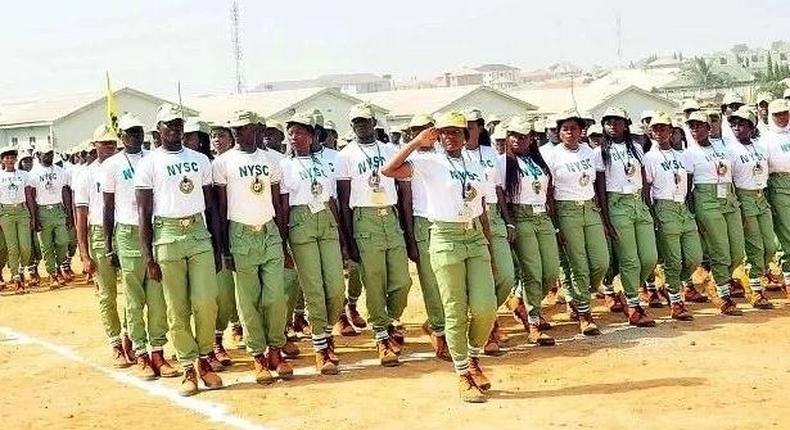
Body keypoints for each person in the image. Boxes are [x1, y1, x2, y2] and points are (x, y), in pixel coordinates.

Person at [381, 111, 497, 403]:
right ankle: (463, 374)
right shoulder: (428, 162)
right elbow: (389, 170)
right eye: (443, 132)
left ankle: (471, 357)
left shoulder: (475, 162)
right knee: (455, 311)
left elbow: (480, 203)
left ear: (466, 135)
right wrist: (416, 142)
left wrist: (489, 245)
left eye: (456, 132)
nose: (449, 137)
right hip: (445, 237)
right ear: (437, 135)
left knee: (485, 308)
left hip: (474, 237)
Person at [135, 104, 223, 396]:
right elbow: (143, 213)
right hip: (168, 235)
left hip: (198, 233)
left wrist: (219, 245)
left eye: (178, 124)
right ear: (158, 129)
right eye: (169, 125)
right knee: (177, 307)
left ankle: (205, 357)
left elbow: (211, 206)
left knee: (206, 300)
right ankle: (188, 366)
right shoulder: (148, 164)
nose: (175, 129)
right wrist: (148, 256)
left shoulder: (201, 160)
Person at [213, 110, 294, 384]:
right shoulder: (223, 163)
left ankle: (276, 347)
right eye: (234, 127)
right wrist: (225, 247)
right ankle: (258, 354)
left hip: (269, 231)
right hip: (240, 234)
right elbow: (221, 207)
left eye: (243, 127)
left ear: (256, 129)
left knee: (274, 296)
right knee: (248, 300)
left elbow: (278, 202)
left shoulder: (271, 160)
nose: (237, 132)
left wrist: (282, 239)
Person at [101, 113, 178, 380]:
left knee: (157, 295)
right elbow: (107, 207)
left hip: (156, 230)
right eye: (129, 133)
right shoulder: (111, 165)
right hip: (127, 233)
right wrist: (109, 245)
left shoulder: (152, 159)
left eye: (138, 132)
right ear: (120, 136)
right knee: (134, 298)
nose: (135, 136)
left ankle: (158, 350)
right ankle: (141, 352)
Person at [336, 103, 412, 367]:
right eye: (356, 122)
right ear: (352, 126)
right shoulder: (345, 155)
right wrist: (348, 239)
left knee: (402, 281)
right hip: (364, 219)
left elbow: (403, 192)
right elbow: (344, 199)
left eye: (365, 122)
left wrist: (406, 226)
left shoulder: (391, 151)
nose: (361, 126)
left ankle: (391, 319)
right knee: (375, 281)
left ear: (374, 122)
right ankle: (381, 334)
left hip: (389, 216)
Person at [280, 112, 347, 374]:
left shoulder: (329, 161)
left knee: (335, 287)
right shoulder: (285, 166)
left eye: (299, 132)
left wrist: (341, 236)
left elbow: (332, 199)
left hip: (326, 220)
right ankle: (321, 347)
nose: (294, 137)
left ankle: (326, 330)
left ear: (312, 135)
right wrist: (285, 241)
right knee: (314, 289)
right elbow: (284, 207)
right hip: (300, 222)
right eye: (291, 132)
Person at [496, 116, 559, 345]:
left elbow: (548, 191)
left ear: (531, 139)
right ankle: (533, 322)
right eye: (513, 136)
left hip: (543, 217)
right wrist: (509, 221)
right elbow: (500, 193)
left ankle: (520, 300)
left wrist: (554, 220)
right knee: (532, 271)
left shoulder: (538, 160)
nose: (517, 140)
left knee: (550, 271)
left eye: (523, 137)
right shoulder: (502, 162)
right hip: (521, 218)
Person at [75, 125, 134, 366]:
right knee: (107, 294)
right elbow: (81, 214)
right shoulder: (86, 175)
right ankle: (115, 343)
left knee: (132, 290)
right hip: (99, 234)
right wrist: (84, 253)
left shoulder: (125, 167)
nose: (109, 147)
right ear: (95, 145)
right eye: (104, 143)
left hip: (124, 231)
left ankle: (131, 338)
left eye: (112, 143)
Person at [544, 113, 609, 335]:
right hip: (566, 210)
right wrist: (555, 223)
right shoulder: (552, 156)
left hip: (589, 208)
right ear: (559, 132)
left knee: (601, 261)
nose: (570, 132)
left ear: (581, 131)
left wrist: (600, 213)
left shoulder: (589, 152)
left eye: (574, 128)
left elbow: (594, 182)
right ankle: (584, 313)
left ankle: (575, 294)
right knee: (578, 264)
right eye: (565, 129)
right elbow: (549, 192)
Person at [594, 107, 658, 327]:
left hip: (638, 203)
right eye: (608, 121)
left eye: (617, 121)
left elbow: (644, 181)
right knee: (630, 258)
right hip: (617, 204)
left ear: (626, 124)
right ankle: (633, 305)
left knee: (649, 257)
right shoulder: (600, 151)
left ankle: (627, 291)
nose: (612, 125)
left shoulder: (637, 148)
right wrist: (606, 218)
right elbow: (600, 188)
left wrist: (648, 207)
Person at [463, 108, 515, 355]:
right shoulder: (454, 154)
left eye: (473, 125)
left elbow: (498, 188)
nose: (469, 130)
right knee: (480, 278)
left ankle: (488, 319)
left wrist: (509, 221)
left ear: (481, 127)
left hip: (493, 216)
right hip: (469, 217)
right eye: (466, 125)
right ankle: (488, 328)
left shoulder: (490, 152)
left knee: (505, 276)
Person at [400, 113, 450, 360]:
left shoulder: (445, 156)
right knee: (431, 283)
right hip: (422, 223)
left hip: (447, 222)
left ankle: (445, 326)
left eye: (428, 129)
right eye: (417, 130)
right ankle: (440, 331)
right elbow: (407, 201)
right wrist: (410, 237)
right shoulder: (409, 160)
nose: (423, 134)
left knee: (449, 282)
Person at [643, 112, 702, 320]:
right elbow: (646, 188)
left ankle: (672, 286)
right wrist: (652, 213)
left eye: (664, 128)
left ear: (671, 131)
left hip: (683, 207)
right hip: (664, 207)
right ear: (651, 132)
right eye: (656, 129)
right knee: (673, 259)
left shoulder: (682, 155)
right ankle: (676, 302)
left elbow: (688, 182)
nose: (660, 132)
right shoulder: (649, 158)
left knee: (695, 256)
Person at [684, 111, 743, 315]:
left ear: (709, 128)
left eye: (700, 126)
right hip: (706, 199)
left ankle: (713, 281)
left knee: (737, 251)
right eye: (692, 126)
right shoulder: (689, 153)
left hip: (728, 197)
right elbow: (687, 187)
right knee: (721, 250)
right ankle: (723, 295)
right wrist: (692, 212)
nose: (695, 130)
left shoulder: (723, 147)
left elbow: (732, 174)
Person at [727, 107, 776, 309]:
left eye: (743, 124)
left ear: (751, 126)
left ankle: (755, 276)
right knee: (755, 245)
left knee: (770, 246)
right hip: (744, 197)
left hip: (761, 197)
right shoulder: (730, 150)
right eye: (735, 124)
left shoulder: (760, 147)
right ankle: (755, 290)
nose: (738, 128)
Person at [28, 142, 73, 288]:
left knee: (63, 241)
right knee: (46, 246)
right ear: (38, 155)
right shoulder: (33, 174)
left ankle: (60, 266)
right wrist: (34, 218)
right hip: (42, 210)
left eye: (51, 153)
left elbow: (65, 192)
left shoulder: (61, 172)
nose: (49, 156)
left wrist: (69, 213)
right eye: (46, 154)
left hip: (58, 209)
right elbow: (32, 197)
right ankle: (53, 273)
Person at [0, 145, 34, 293]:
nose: (9, 160)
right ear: (2, 160)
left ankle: (21, 269)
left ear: (15, 159)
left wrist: (32, 215)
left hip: (22, 211)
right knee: (12, 247)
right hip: (6, 212)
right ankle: (16, 278)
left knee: (25, 247)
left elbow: (28, 195)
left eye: (12, 157)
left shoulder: (23, 175)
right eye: (6, 157)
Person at [765, 98, 790, 297]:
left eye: (785, 113)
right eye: (777, 114)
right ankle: (788, 276)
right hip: (778, 183)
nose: (782, 118)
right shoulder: (766, 138)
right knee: (786, 230)